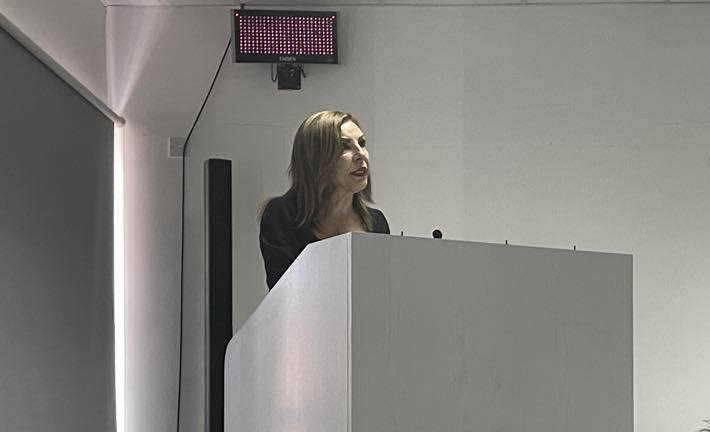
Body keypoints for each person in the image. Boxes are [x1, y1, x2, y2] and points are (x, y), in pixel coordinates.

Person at [259, 110, 390, 290]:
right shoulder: (282, 214)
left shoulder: (376, 222)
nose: (361, 154)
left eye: (362, 143)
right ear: (316, 158)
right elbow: (286, 293)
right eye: (344, 146)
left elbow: (384, 291)